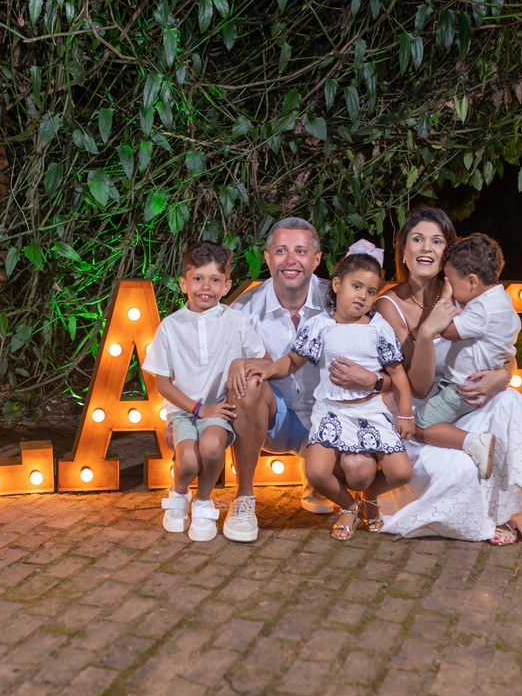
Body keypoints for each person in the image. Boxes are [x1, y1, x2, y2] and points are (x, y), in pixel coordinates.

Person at [372, 208, 522, 545]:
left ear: (448, 251)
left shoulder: (468, 294)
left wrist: (503, 376)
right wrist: (425, 333)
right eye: (417, 239)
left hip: (464, 399)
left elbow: (502, 350)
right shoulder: (389, 304)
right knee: (461, 470)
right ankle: (481, 516)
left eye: (436, 241)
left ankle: (503, 512)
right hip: (419, 414)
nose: (426, 248)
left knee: (511, 402)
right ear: (403, 250)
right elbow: (419, 387)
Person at [243, 251, 414, 539]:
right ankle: (349, 506)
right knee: (317, 473)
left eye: (371, 291)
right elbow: (293, 361)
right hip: (331, 411)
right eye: (356, 286)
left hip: (369, 410)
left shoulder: (379, 327)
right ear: (336, 285)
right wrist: (269, 369)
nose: (362, 296)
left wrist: (406, 414)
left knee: (401, 472)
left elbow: (398, 374)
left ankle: (369, 497)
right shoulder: (319, 326)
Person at [229, 218, 381, 531]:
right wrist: (180, 415)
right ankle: (243, 498)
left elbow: (377, 357)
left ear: (317, 259)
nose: (291, 260)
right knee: (248, 380)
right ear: (267, 258)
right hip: (274, 419)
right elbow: (217, 371)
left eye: (300, 251)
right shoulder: (243, 310)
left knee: (361, 472)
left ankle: (316, 473)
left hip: (329, 418)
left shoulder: (341, 300)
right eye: (281, 251)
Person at [142, 241, 265, 542]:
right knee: (187, 461)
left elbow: (263, 360)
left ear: (227, 286)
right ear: (183, 283)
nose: (206, 287)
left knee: (211, 449)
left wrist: (239, 364)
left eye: (215, 279)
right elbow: (162, 384)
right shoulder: (170, 327)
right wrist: (198, 409)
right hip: (185, 411)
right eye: (198, 278)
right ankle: (179, 492)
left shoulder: (236, 322)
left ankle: (203, 500)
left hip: (218, 409)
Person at [411, 233, 519, 478]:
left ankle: (473, 442)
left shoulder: (482, 308)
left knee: (419, 426)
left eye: (450, 282)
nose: (447, 286)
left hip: (461, 388)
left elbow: (447, 331)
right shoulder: (502, 300)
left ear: (472, 281)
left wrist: (445, 299)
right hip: (474, 385)